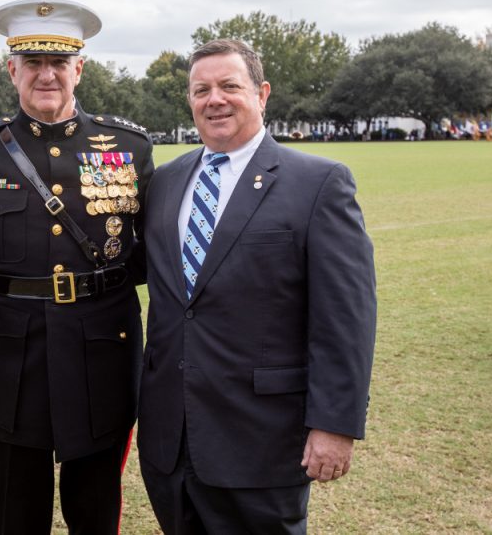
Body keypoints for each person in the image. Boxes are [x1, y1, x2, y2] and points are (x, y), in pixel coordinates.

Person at [137, 38, 377, 534]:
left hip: (261, 441)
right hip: (170, 441)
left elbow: (345, 318)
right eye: (201, 89)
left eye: (230, 86)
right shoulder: (165, 182)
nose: (214, 99)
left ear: (262, 93)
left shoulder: (319, 183)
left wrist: (334, 425)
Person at [0, 0, 154, 534]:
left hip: (103, 344)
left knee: (95, 506)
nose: (47, 74)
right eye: (32, 63)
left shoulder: (128, 148)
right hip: (13, 348)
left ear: (79, 68)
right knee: (18, 510)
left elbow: (148, 249)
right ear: (11, 68)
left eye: (59, 63)